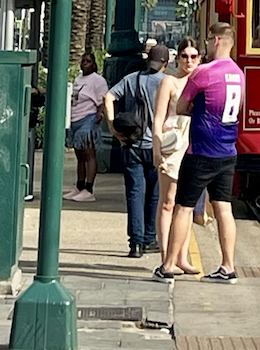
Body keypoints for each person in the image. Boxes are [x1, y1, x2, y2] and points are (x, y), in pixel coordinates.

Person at [154, 22, 245, 284]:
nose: (204, 47)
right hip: (228, 150)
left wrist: (200, 111)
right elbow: (238, 107)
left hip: (201, 150)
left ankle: (169, 264)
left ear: (216, 41)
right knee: (223, 208)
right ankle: (228, 266)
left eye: (207, 41)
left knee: (183, 207)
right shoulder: (239, 74)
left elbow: (182, 107)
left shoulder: (204, 73)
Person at [105, 43, 169, 257]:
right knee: (154, 195)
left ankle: (136, 244)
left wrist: (113, 127)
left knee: (135, 194)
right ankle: (150, 238)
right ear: (165, 64)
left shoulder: (132, 79)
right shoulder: (166, 83)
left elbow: (109, 97)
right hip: (156, 147)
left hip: (132, 143)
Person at [152, 36, 200, 274]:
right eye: (184, 56)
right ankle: (166, 256)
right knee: (168, 200)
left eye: (193, 56)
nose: (189, 61)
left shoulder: (202, 81)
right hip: (172, 145)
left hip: (194, 144)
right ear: (177, 58)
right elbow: (158, 118)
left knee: (187, 203)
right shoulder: (169, 82)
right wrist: (156, 149)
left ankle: (181, 257)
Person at [64, 52, 109, 203]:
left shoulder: (98, 80)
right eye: (83, 61)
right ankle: (79, 185)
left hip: (88, 120)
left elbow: (103, 99)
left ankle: (89, 189)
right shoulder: (78, 79)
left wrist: (100, 114)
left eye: (88, 61)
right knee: (79, 155)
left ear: (94, 64)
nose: (84, 63)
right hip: (75, 119)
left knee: (89, 154)